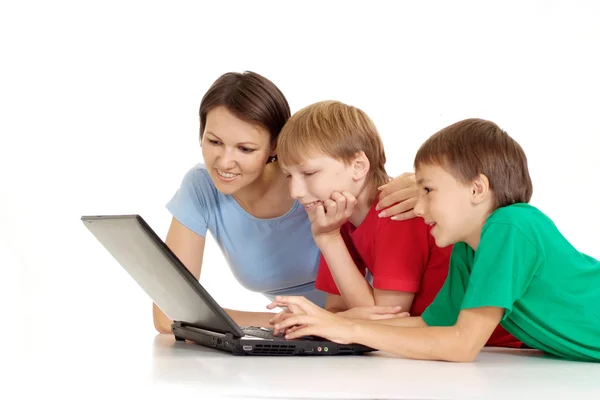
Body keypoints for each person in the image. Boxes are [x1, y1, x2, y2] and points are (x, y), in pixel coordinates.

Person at [270, 118, 600, 362]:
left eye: (428, 190)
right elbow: (427, 325)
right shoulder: (466, 251)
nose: (419, 204)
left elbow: (462, 345)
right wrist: (328, 323)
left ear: (477, 189)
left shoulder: (512, 225)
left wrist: (350, 331)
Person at [153, 71, 420, 333]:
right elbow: (171, 314)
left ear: (275, 147)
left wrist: (426, 187)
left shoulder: (321, 193)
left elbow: (365, 182)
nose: (224, 162)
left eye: (246, 148)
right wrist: (298, 320)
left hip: (367, 328)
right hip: (322, 333)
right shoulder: (201, 187)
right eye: (213, 141)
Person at [269, 102, 520, 348]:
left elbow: (382, 320)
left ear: (359, 166)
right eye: (289, 175)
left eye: (309, 173)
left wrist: (328, 241)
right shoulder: (337, 218)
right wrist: (320, 319)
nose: (295, 191)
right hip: (434, 340)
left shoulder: (394, 211)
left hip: (496, 346)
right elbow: (337, 310)